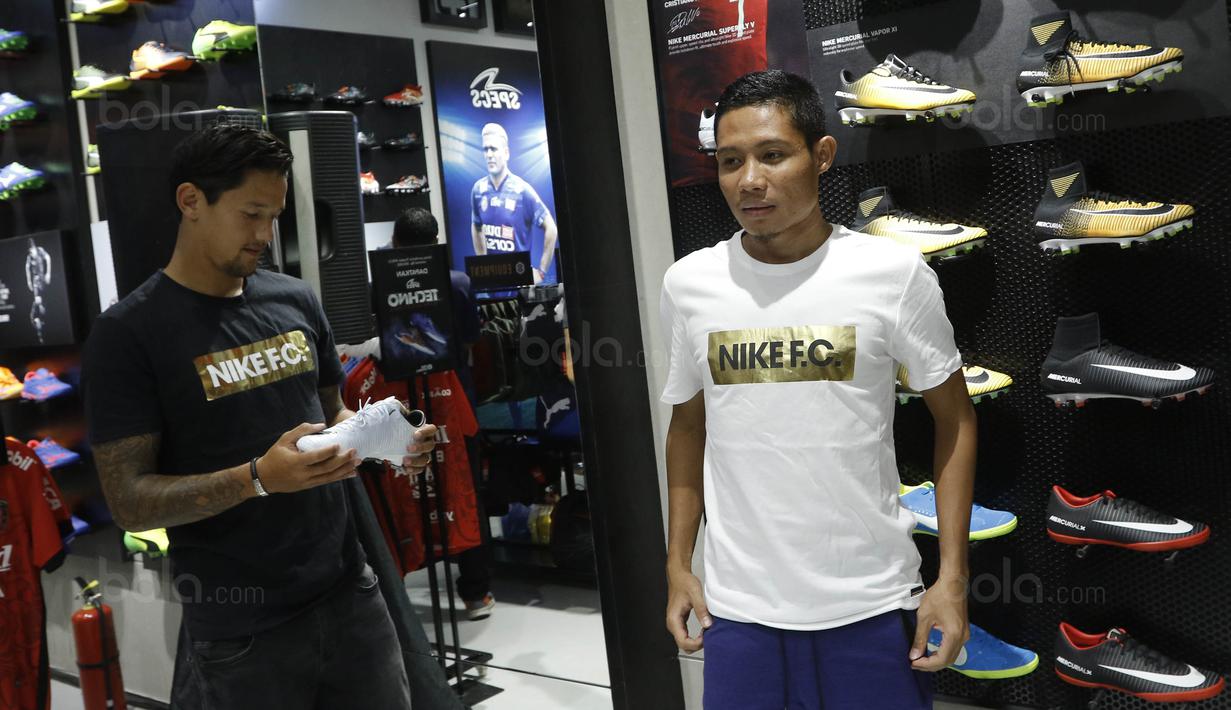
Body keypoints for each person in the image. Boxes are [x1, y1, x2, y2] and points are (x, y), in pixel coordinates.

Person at [81, 124, 438, 709]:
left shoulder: (295, 300)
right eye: (251, 214)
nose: (264, 236)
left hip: (350, 594)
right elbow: (128, 499)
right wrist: (255, 479)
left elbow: (334, 414)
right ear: (191, 201)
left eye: (273, 217)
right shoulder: (128, 336)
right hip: (242, 632)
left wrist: (389, 442)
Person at [661, 71, 976, 709]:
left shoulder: (892, 274)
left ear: (822, 155)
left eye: (773, 155)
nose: (750, 180)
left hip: (870, 604)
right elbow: (688, 425)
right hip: (738, 611)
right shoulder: (690, 284)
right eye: (730, 161)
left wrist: (952, 579)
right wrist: (677, 564)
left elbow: (957, 420)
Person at [391, 207, 493, 620]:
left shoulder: (379, 284)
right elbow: (471, 340)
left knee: (407, 490)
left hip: (404, 405)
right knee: (466, 489)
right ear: (436, 243)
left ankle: (402, 585)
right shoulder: (459, 283)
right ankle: (476, 591)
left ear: (396, 243)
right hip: (455, 403)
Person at [470, 122, 558, 284]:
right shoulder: (478, 190)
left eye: (494, 149)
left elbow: (551, 228)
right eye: (485, 149)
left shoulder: (522, 190)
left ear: (506, 153)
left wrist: (542, 271)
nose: (489, 154)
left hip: (520, 284)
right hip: (493, 285)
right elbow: (476, 226)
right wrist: (482, 265)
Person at [24, 237, 50, 343]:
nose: (31, 253)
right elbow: (26, 267)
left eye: (32, 250)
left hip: (43, 280)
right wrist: (29, 281)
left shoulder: (40, 250)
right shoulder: (29, 257)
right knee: (39, 302)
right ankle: (40, 334)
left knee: (45, 302)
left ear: (34, 248)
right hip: (36, 283)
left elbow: (48, 258)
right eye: (30, 251)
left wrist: (48, 273)